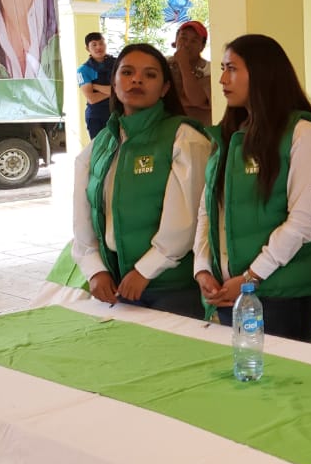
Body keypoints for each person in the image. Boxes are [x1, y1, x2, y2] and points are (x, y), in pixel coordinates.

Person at [192, 34, 311, 342]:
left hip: (280, 296)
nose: (221, 79)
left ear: (262, 73)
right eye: (222, 68)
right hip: (232, 291)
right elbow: (208, 210)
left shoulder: (301, 133)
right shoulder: (229, 136)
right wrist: (203, 268)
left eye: (232, 69)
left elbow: (302, 223)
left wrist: (250, 277)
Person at [71, 43, 209, 319]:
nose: (136, 80)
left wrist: (145, 270)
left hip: (171, 287)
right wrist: (95, 268)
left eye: (150, 75)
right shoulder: (103, 141)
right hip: (117, 285)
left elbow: (185, 220)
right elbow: (83, 214)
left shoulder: (183, 137)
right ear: (113, 81)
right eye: (127, 72)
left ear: (165, 88)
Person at [167, 20, 212, 124]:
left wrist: (183, 64)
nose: (187, 44)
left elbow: (196, 100)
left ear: (202, 46)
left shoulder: (210, 70)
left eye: (194, 41)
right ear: (175, 40)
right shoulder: (164, 64)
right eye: (183, 38)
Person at [76, 32, 114, 139]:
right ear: (87, 49)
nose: (98, 47)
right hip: (96, 117)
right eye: (94, 44)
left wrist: (95, 86)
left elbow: (122, 89)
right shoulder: (83, 70)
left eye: (101, 43)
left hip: (117, 113)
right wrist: (113, 91)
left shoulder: (118, 64)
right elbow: (92, 98)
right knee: (100, 150)